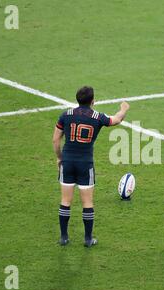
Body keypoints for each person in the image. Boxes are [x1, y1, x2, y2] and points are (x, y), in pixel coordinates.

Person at [52, 86, 130, 247]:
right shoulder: (97, 117)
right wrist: (123, 109)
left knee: (65, 200)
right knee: (87, 202)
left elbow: (55, 140)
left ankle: (64, 237)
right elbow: (116, 120)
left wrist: (59, 158)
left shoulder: (65, 115)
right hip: (85, 164)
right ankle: (88, 239)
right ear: (93, 101)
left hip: (67, 162)